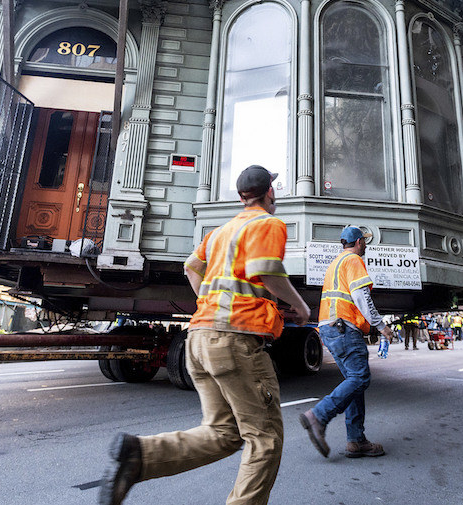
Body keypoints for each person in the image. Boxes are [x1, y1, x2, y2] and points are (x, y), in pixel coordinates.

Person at [99, 165, 311, 505]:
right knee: (265, 439)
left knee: (223, 433)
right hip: (235, 341)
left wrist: (212, 303)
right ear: (270, 192)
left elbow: (191, 267)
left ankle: (140, 456)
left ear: (242, 196)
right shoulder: (268, 223)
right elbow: (265, 270)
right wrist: (300, 305)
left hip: (198, 339)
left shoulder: (221, 231)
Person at [300, 226, 394, 459]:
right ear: (360, 242)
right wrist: (382, 326)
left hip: (330, 327)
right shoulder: (353, 261)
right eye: (365, 243)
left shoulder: (336, 263)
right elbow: (362, 296)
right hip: (344, 328)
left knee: (355, 382)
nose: (365, 247)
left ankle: (356, 440)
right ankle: (318, 416)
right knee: (360, 378)